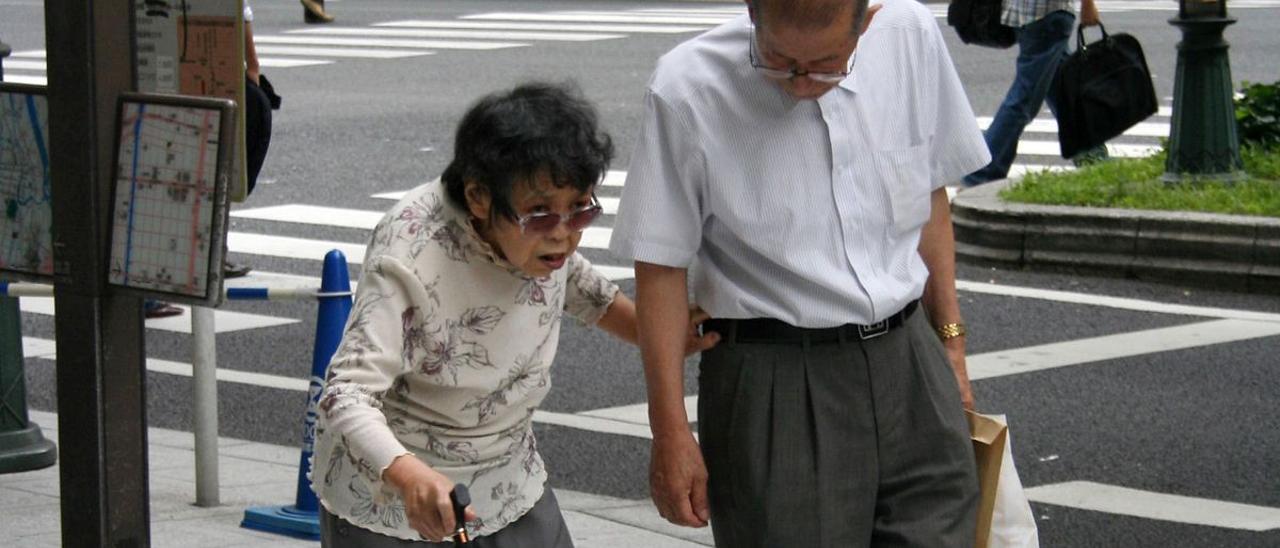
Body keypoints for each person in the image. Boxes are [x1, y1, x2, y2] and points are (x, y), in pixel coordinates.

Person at [609, 0, 989, 545]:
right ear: (752, 12)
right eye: (779, 61)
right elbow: (660, 266)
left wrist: (950, 344)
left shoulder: (909, 35)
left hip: (910, 359)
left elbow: (930, 193)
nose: (803, 82)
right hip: (776, 380)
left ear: (867, 19)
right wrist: (669, 432)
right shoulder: (687, 86)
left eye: (829, 64)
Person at [309, 83, 718, 546]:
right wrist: (409, 476)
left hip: (507, 477)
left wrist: (662, 334)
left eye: (580, 210)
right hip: (397, 491)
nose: (563, 236)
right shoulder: (410, 252)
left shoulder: (539, 244)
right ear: (480, 198)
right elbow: (346, 393)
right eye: (540, 213)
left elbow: (587, 292)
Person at [962, 0, 1103, 186]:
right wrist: (1088, 5)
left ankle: (1092, 156)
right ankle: (983, 172)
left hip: (1026, 13)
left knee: (1064, 92)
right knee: (1024, 98)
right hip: (1049, 12)